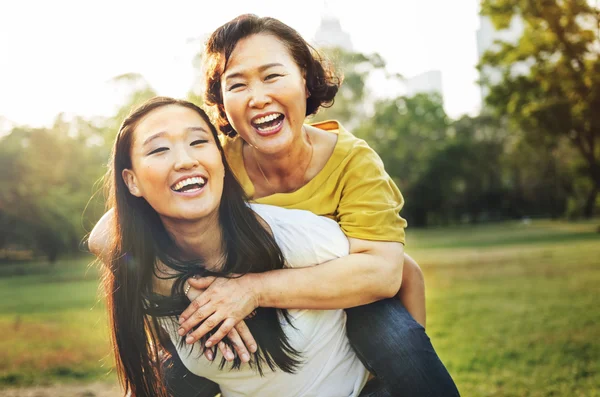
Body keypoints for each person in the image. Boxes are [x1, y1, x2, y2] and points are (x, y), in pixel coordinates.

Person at [91, 14, 459, 397]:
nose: (258, 97)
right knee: (163, 376)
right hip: (248, 318)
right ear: (221, 101)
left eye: (272, 76)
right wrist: (196, 290)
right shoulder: (214, 162)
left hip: (347, 303)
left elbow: (385, 273)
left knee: (399, 342)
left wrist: (251, 290)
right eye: (237, 84)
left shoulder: (353, 163)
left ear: (304, 78)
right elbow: (107, 234)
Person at [92, 96, 384, 396]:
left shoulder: (293, 238)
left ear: (221, 160)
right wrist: (183, 288)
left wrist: (254, 290)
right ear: (131, 181)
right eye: (159, 149)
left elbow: (397, 274)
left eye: (198, 142)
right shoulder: (148, 269)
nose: (185, 160)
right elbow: (101, 235)